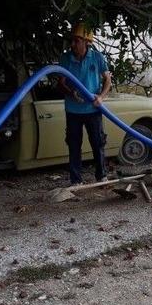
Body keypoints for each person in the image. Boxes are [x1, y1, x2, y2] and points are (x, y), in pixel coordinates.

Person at [58, 23, 112, 185]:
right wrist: (71, 92)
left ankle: (101, 176)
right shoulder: (65, 58)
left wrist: (101, 97)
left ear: (87, 42)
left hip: (93, 109)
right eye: (72, 41)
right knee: (74, 146)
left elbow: (108, 80)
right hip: (73, 110)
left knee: (98, 143)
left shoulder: (97, 57)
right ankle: (76, 180)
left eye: (77, 41)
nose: (73, 44)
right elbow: (60, 83)